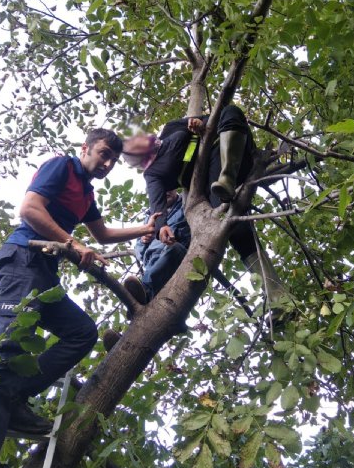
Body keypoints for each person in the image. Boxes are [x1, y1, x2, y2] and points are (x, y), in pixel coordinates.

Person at [0, 128, 157, 468]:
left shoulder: (86, 194)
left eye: (112, 161)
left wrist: (145, 228)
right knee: (7, 348)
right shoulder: (61, 167)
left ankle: (15, 397)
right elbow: (29, 209)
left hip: (45, 274)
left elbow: (101, 234)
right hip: (23, 260)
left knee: (82, 332)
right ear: (85, 148)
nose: (105, 164)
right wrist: (73, 242)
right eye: (102, 154)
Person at [122, 105, 288, 325]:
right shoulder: (153, 174)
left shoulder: (171, 128)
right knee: (237, 230)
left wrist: (202, 126)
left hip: (230, 150)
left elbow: (213, 117)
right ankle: (280, 299)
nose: (133, 146)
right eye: (127, 152)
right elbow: (157, 205)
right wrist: (161, 227)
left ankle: (229, 177)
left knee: (230, 110)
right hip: (212, 177)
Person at [103, 190, 190, 352]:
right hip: (154, 267)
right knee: (146, 308)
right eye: (161, 191)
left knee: (174, 249)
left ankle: (144, 292)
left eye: (169, 188)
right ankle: (122, 344)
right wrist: (144, 240)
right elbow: (140, 251)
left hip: (176, 258)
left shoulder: (186, 203)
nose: (165, 193)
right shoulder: (152, 215)